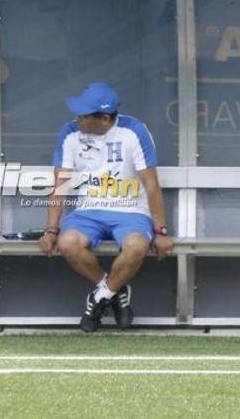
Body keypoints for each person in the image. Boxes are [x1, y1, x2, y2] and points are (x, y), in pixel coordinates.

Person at [38, 81, 173, 331]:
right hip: (88, 211)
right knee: (68, 244)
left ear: (104, 118)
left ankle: (98, 299)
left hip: (130, 211)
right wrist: (51, 230)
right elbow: (60, 184)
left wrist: (160, 231)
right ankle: (115, 290)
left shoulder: (134, 131)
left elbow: (151, 185)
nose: (77, 119)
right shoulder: (69, 133)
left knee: (136, 247)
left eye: (84, 115)